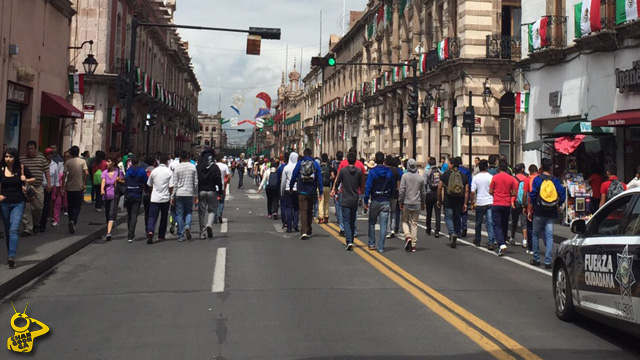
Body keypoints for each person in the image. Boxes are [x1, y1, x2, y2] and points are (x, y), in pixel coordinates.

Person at [0, 147, 35, 268]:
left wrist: (26, 179)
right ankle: (10, 252)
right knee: (8, 230)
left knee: (14, 229)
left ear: (15, 158)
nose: (8, 159)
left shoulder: (21, 168)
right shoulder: (1, 169)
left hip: (18, 203)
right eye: (6, 156)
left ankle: (11, 256)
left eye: (10, 157)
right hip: (4, 203)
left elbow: (33, 179)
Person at [528, 158, 566, 268]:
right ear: (550, 168)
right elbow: (562, 194)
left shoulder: (537, 180)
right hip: (551, 212)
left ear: (541, 167)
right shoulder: (554, 180)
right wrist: (558, 204)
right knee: (549, 236)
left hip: (539, 211)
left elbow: (533, 196)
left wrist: (530, 210)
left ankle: (536, 258)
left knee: (535, 234)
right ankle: (548, 261)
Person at [332, 151, 363, 250]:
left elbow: (337, 182)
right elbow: (360, 184)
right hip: (354, 197)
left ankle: (349, 240)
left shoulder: (343, 171)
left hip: (345, 197)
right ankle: (352, 238)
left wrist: (336, 190)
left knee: (346, 219)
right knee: (353, 219)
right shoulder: (358, 171)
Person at [364, 151, 394, 253]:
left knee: (372, 222)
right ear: (383, 160)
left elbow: (368, 187)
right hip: (385, 199)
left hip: (375, 199)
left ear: (376, 160)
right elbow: (393, 186)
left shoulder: (372, 172)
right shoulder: (389, 172)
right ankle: (381, 246)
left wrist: (366, 199)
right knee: (383, 225)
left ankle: (371, 243)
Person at [19, 140, 52, 236]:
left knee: (38, 208)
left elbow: (47, 172)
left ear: (36, 149)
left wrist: (49, 184)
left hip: (38, 187)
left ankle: (35, 223)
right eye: (28, 149)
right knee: (26, 209)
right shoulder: (22, 160)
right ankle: (27, 229)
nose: (30, 151)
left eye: (32, 149)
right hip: (25, 187)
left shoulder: (41, 159)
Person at [290, 148, 323, 239]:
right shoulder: (315, 164)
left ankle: (304, 231)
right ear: (311, 154)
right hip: (312, 191)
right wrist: (320, 191)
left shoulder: (300, 163)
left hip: (302, 190)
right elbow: (319, 178)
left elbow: (294, 175)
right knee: (309, 211)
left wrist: (292, 186)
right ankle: (309, 230)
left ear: (304, 154)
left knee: (303, 211)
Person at [437, 157, 468, 249]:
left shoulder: (445, 174)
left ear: (452, 165)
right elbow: (466, 190)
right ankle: (456, 232)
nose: (448, 165)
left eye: (449, 163)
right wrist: (465, 203)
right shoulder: (463, 175)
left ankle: (452, 233)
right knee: (456, 218)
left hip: (448, 200)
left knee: (448, 218)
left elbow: (439, 187)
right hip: (459, 201)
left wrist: (439, 200)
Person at [489, 160, 518, 256]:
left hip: (497, 202)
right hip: (506, 203)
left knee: (497, 224)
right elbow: (514, 192)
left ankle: (501, 244)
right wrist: (508, 194)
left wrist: (496, 193)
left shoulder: (495, 177)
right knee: (505, 224)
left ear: (499, 167)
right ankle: (504, 241)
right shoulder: (511, 178)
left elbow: (490, 191)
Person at [171, 151, 198, 242]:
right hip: (189, 192)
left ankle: (181, 235)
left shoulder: (177, 168)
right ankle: (187, 225)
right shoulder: (193, 167)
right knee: (189, 212)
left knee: (179, 213)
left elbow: (175, 184)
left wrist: (172, 196)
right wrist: (195, 194)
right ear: (188, 157)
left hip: (179, 193)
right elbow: (196, 182)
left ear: (180, 158)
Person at [399, 159, 425, 253]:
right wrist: (423, 203)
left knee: (404, 221)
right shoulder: (420, 177)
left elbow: (402, 190)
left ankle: (407, 236)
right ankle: (413, 245)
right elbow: (423, 192)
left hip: (407, 201)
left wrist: (400, 201)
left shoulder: (405, 176)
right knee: (414, 223)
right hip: (417, 202)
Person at [146, 154, 173, 244]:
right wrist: (170, 195)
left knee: (152, 216)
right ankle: (161, 235)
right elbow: (171, 186)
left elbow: (149, 184)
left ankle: (150, 231)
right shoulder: (169, 172)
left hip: (154, 197)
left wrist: (152, 192)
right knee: (164, 217)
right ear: (166, 162)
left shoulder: (154, 171)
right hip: (165, 198)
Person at [62, 146, 88, 234]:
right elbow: (86, 172)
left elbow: (64, 174)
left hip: (69, 187)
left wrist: (63, 185)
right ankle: (73, 220)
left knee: (70, 206)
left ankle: (70, 220)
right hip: (79, 187)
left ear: (71, 153)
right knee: (77, 206)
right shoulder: (82, 161)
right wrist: (85, 183)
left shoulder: (68, 162)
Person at [197, 148, 222, 239]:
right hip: (212, 191)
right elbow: (219, 180)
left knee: (201, 212)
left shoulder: (199, 167)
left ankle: (202, 233)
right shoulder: (215, 167)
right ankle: (209, 225)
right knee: (212, 210)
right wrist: (220, 191)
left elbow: (196, 180)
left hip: (201, 191)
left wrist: (196, 192)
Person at [470, 160, 495, 248]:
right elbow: (493, 190)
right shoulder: (491, 177)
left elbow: (472, 192)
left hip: (480, 202)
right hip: (489, 201)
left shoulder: (476, 177)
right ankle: (491, 241)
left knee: (478, 222)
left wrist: (472, 202)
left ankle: (477, 239)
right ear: (486, 167)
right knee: (490, 222)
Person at [124, 156, 148, 243]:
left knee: (129, 215)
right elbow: (146, 181)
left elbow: (126, 180)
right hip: (137, 194)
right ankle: (131, 235)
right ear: (138, 162)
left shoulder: (128, 171)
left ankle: (130, 234)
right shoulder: (141, 171)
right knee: (134, 215)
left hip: (128, 193)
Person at [101, 154, 124, 241]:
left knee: (111, 212)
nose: (107, 163)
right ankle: (110, 225)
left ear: (113, 163)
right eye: (107, 161)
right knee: (107, 213)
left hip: (115, 194)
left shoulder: (118, 171)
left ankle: (109, 233)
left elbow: (123, 181)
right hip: (106, 195)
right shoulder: (105, 172)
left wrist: (119, 180)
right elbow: (103, 182)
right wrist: (102, 190)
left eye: (109, 161)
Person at [39, 148, 58, 233]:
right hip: (40, 186)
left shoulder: (55, 165)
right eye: (48, 154)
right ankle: (37, 222)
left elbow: (56, 177)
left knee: (46, 206)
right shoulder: (41, 163)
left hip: (49, 188)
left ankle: (43, 224)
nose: (49, 155)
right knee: (39, 206)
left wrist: (56, 188)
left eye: (51, 154)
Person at [509, 163, 528, 245]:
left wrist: (512, 201)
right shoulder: (526, 178)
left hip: (515, 201)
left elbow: (512, 192)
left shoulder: (513, 179)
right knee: (524, 222)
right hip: (524, 202)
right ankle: (524, 240)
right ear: (522, 170)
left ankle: (512, 238)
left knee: (514, 221)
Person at [281, 152, 300, 233]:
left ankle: (289, 226)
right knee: (296, 208)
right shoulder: (298, 167)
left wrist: (282, 191)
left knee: (289, 208)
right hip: (297, 189)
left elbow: (283, 181)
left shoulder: (286, 167)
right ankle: (295, 224)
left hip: (288, 189)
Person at [423, 157, 442, 237]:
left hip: (429, 193)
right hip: (437, 193)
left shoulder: (426, 172)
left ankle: (428, 228)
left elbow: (424, 183)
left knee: (429, 212)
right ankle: (437, 230)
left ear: (429, 163)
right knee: (438, 213)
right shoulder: (440, 172)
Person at [386, 156, 402, 239]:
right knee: (393, 211)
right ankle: (393, 228)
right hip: (394, 194)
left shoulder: (386, 171)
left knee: (388, 212)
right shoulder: (396, 172)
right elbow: (398, 184)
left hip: (387, 193)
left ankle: (389, 230)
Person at [457, 157, 472, 238]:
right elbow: (469, 182)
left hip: (456, 193)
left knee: (457, 211)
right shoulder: (466, 170)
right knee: (464, 210)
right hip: (465, 192)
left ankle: (459, 228)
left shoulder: (455, 171)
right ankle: (465, 226)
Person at [318, 153, 334, 224]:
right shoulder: (329, 167)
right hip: (327, 186)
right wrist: (329, 179)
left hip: (320, 186)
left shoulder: (319, 166)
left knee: (320, 202)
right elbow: (333, 176)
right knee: (327, 202)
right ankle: (326, 216)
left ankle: (320, 218)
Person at [215, 155, 231, 224]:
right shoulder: (224, 166)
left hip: (213, 186)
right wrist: (226, 182)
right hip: (222, 186)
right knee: (221, 201)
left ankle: (215, 218)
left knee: (214, 203)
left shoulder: (213, 166)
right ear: (221, 159)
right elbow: (229, 175)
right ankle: (220, 213)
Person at [332, 151, 344, 232]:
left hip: (336, 183)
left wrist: (333, 187)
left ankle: (339, 218)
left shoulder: (333, 164)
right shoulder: (344, 164)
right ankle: (340, 218)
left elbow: (333, 176)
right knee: (341, 203)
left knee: (337, 202)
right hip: (343, 183)